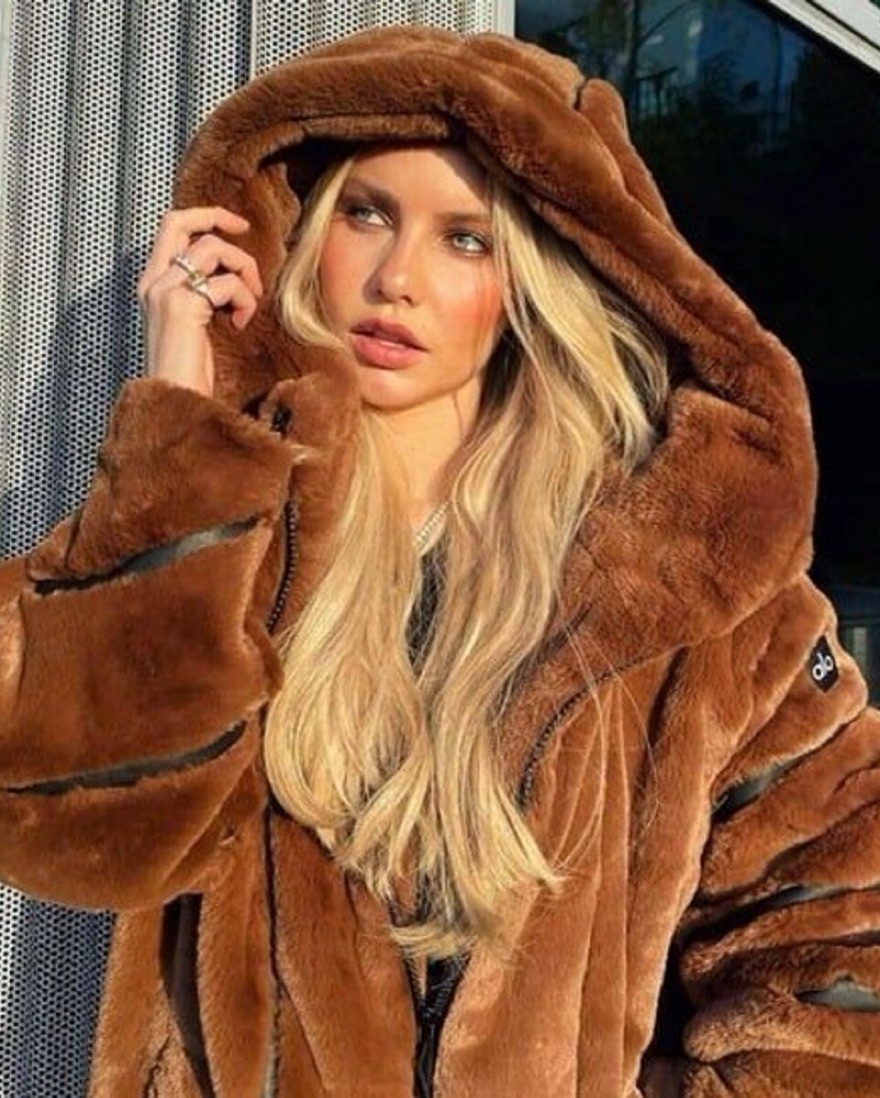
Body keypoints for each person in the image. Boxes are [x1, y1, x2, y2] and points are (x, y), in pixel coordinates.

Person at [0, 24, 878, 1098]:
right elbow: (81, 829)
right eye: (366, 214)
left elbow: (840, 921)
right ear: (305, 229)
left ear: (540, 275)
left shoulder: (678, 576)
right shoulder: (228, 524)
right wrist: (180, 431)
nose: (396, 278)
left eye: (466, 239)